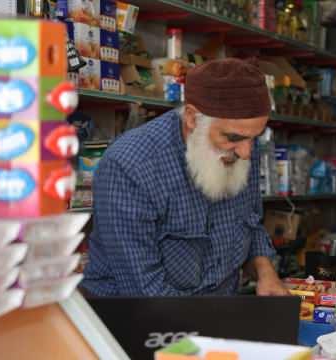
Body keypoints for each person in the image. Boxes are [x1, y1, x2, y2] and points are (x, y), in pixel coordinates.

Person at [82, 58, 289, 297]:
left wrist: (265, 272)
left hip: (213, 314)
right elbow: (143, 290)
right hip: (136, 319)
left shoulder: (240, 149)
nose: (246, 152)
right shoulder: (130, 165)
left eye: (255, 137)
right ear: (192, 118)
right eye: (233, 138)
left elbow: (250, 223)